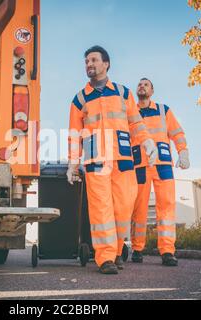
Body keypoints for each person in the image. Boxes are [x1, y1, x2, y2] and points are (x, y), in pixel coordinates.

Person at [67, 46, 157, 274]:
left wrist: (147, 141)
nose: (89, 64)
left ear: (106, 64)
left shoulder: (123, 92)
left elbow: (136, 123)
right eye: (86, 61)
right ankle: (105, 257)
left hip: (123, 159)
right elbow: (74, 134)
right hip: (96, 161)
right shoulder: (80, 99)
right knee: (101, 209)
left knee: (123, 208)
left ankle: (117, 252)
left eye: (94, 60)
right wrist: (72, 162)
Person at [130, 78, 190, 267]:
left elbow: (177, 133)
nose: (142, 86)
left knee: (166, 208)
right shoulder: (131, 113)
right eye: (139, 84)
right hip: (139, 164)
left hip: (163, 164)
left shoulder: (164, 111)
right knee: (138, 209)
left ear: (152, 90)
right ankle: (137, 249)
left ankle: (167, 251)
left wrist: (183, 151)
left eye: (146, 84)